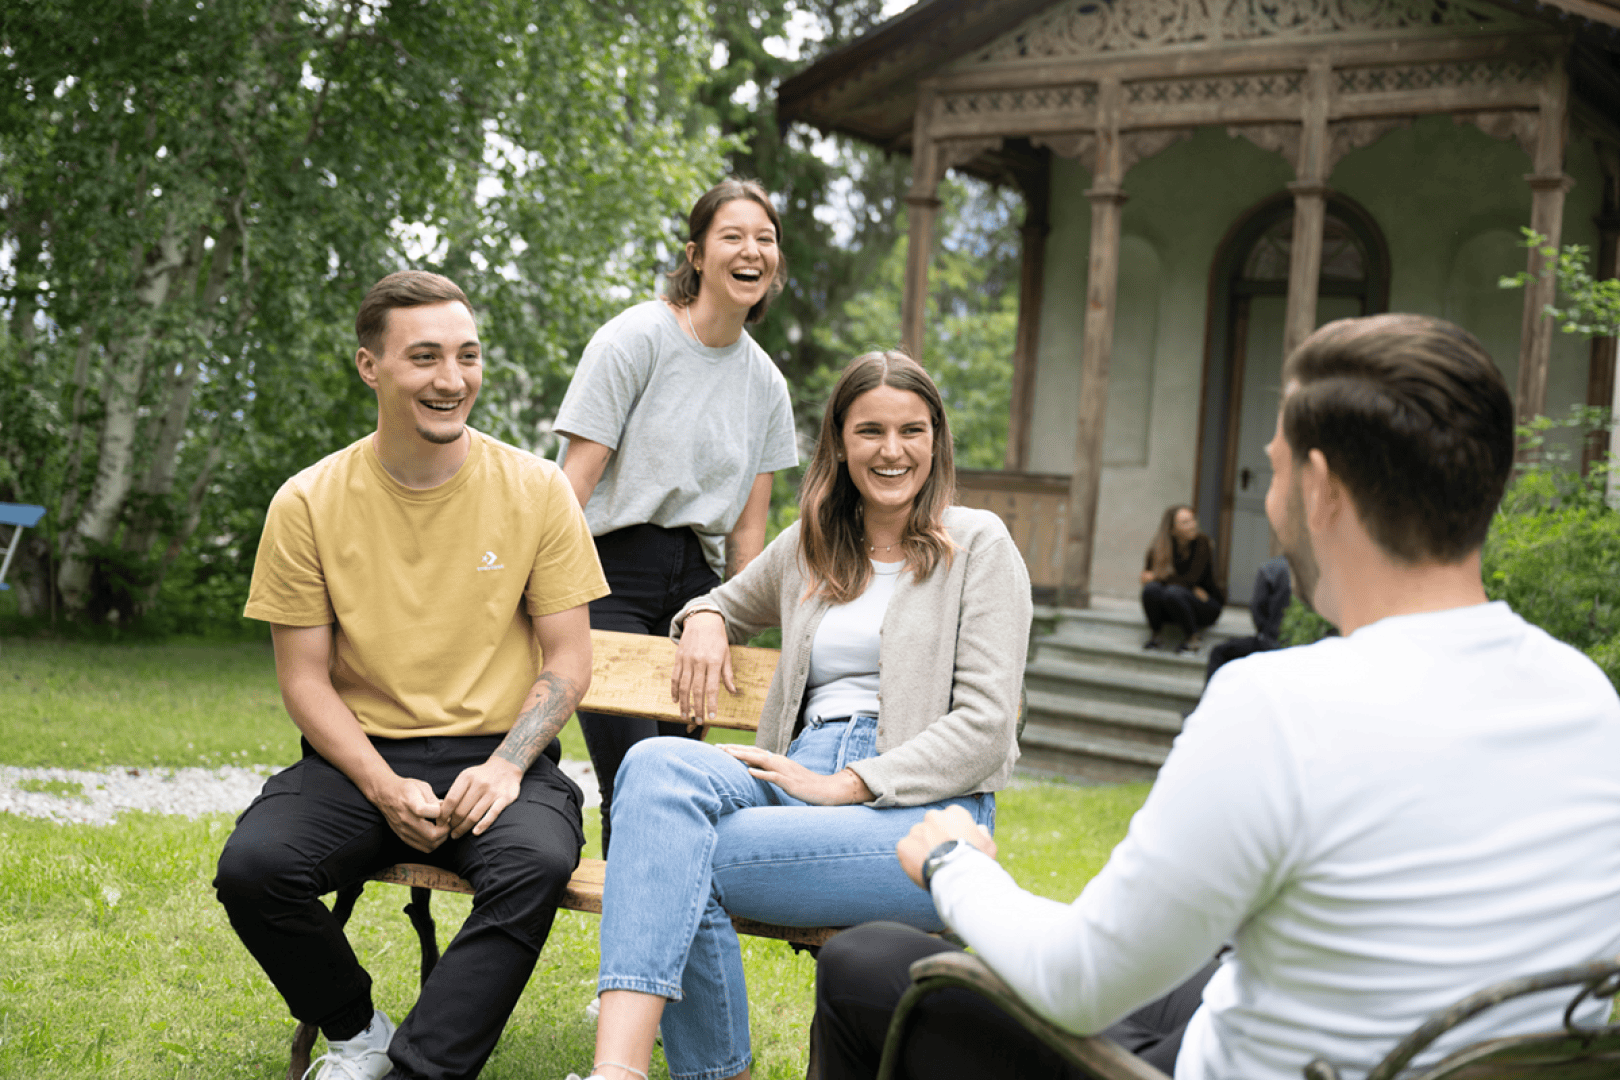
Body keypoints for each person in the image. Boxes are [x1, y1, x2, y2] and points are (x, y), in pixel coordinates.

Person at [812, 314, 1620, 1080]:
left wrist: (954, 865)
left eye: (1276, 467)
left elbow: (1077, 984)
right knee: (1198, 956)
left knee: (861, 960)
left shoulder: (1278, 706)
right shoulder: (1586, 697)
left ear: (1320, 488)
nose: (1270, 499)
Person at [567, 351, 1031, 1080]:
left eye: (911, 430)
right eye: (870, 430)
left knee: (675, 854)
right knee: (654, 763)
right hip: (795, 772)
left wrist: (851, 782)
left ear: (936, 440)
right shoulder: (812, 545)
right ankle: (617, 1073)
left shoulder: (979, 544)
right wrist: (706, 616)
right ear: (840, 442)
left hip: (921, 817)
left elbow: (987, 725)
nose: (892, 450)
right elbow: (723, 600)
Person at [214, 271, 609, 1080]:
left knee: (533, 864)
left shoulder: (537, 490)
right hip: (360, 761)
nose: (451, 378)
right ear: (370, 366)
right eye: (425, 356)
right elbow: (305, 681)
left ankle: (418, 1070)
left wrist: (506, 766)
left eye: (468, 355)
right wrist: (382, 784)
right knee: (254, 870)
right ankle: (357, 1033)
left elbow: (569, 660)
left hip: (499, 759)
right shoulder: (307, 502)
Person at [554, 177, 798, 856]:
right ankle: (629, 928)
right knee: (633, 780)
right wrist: (535, 593)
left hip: (700, 596)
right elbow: (572, 486)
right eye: (732, 236)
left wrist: (729, 622)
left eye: (765, 239)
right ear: (695, 254)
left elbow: (748, 532)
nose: (751, 251)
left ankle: (671, 921)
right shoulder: (635, 339)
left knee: (677, 787)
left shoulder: (767, 385)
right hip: (607, 575)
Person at [1139, 504, 1224, 652]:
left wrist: (1158, 577)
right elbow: (1148, 580)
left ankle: (1193, 640)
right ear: (1172, 529)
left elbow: (1191, 579)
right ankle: (1156, 636)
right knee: (1151, 589)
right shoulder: (1158, 548)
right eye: (1185, 522)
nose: (1192, 525)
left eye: (1193, 520)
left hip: (1205, 606)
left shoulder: (1202, 542)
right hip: (1173, 605)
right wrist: (1187, 588)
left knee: (1173, 592)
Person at [1204, 554, 1291, 683]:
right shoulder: (1316, 572)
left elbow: (1258, 609)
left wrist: (1265, 633)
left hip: (1271, 642)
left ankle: (1211, 695)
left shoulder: (1271, 569)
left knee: (1219, 652)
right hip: (1303, 646)